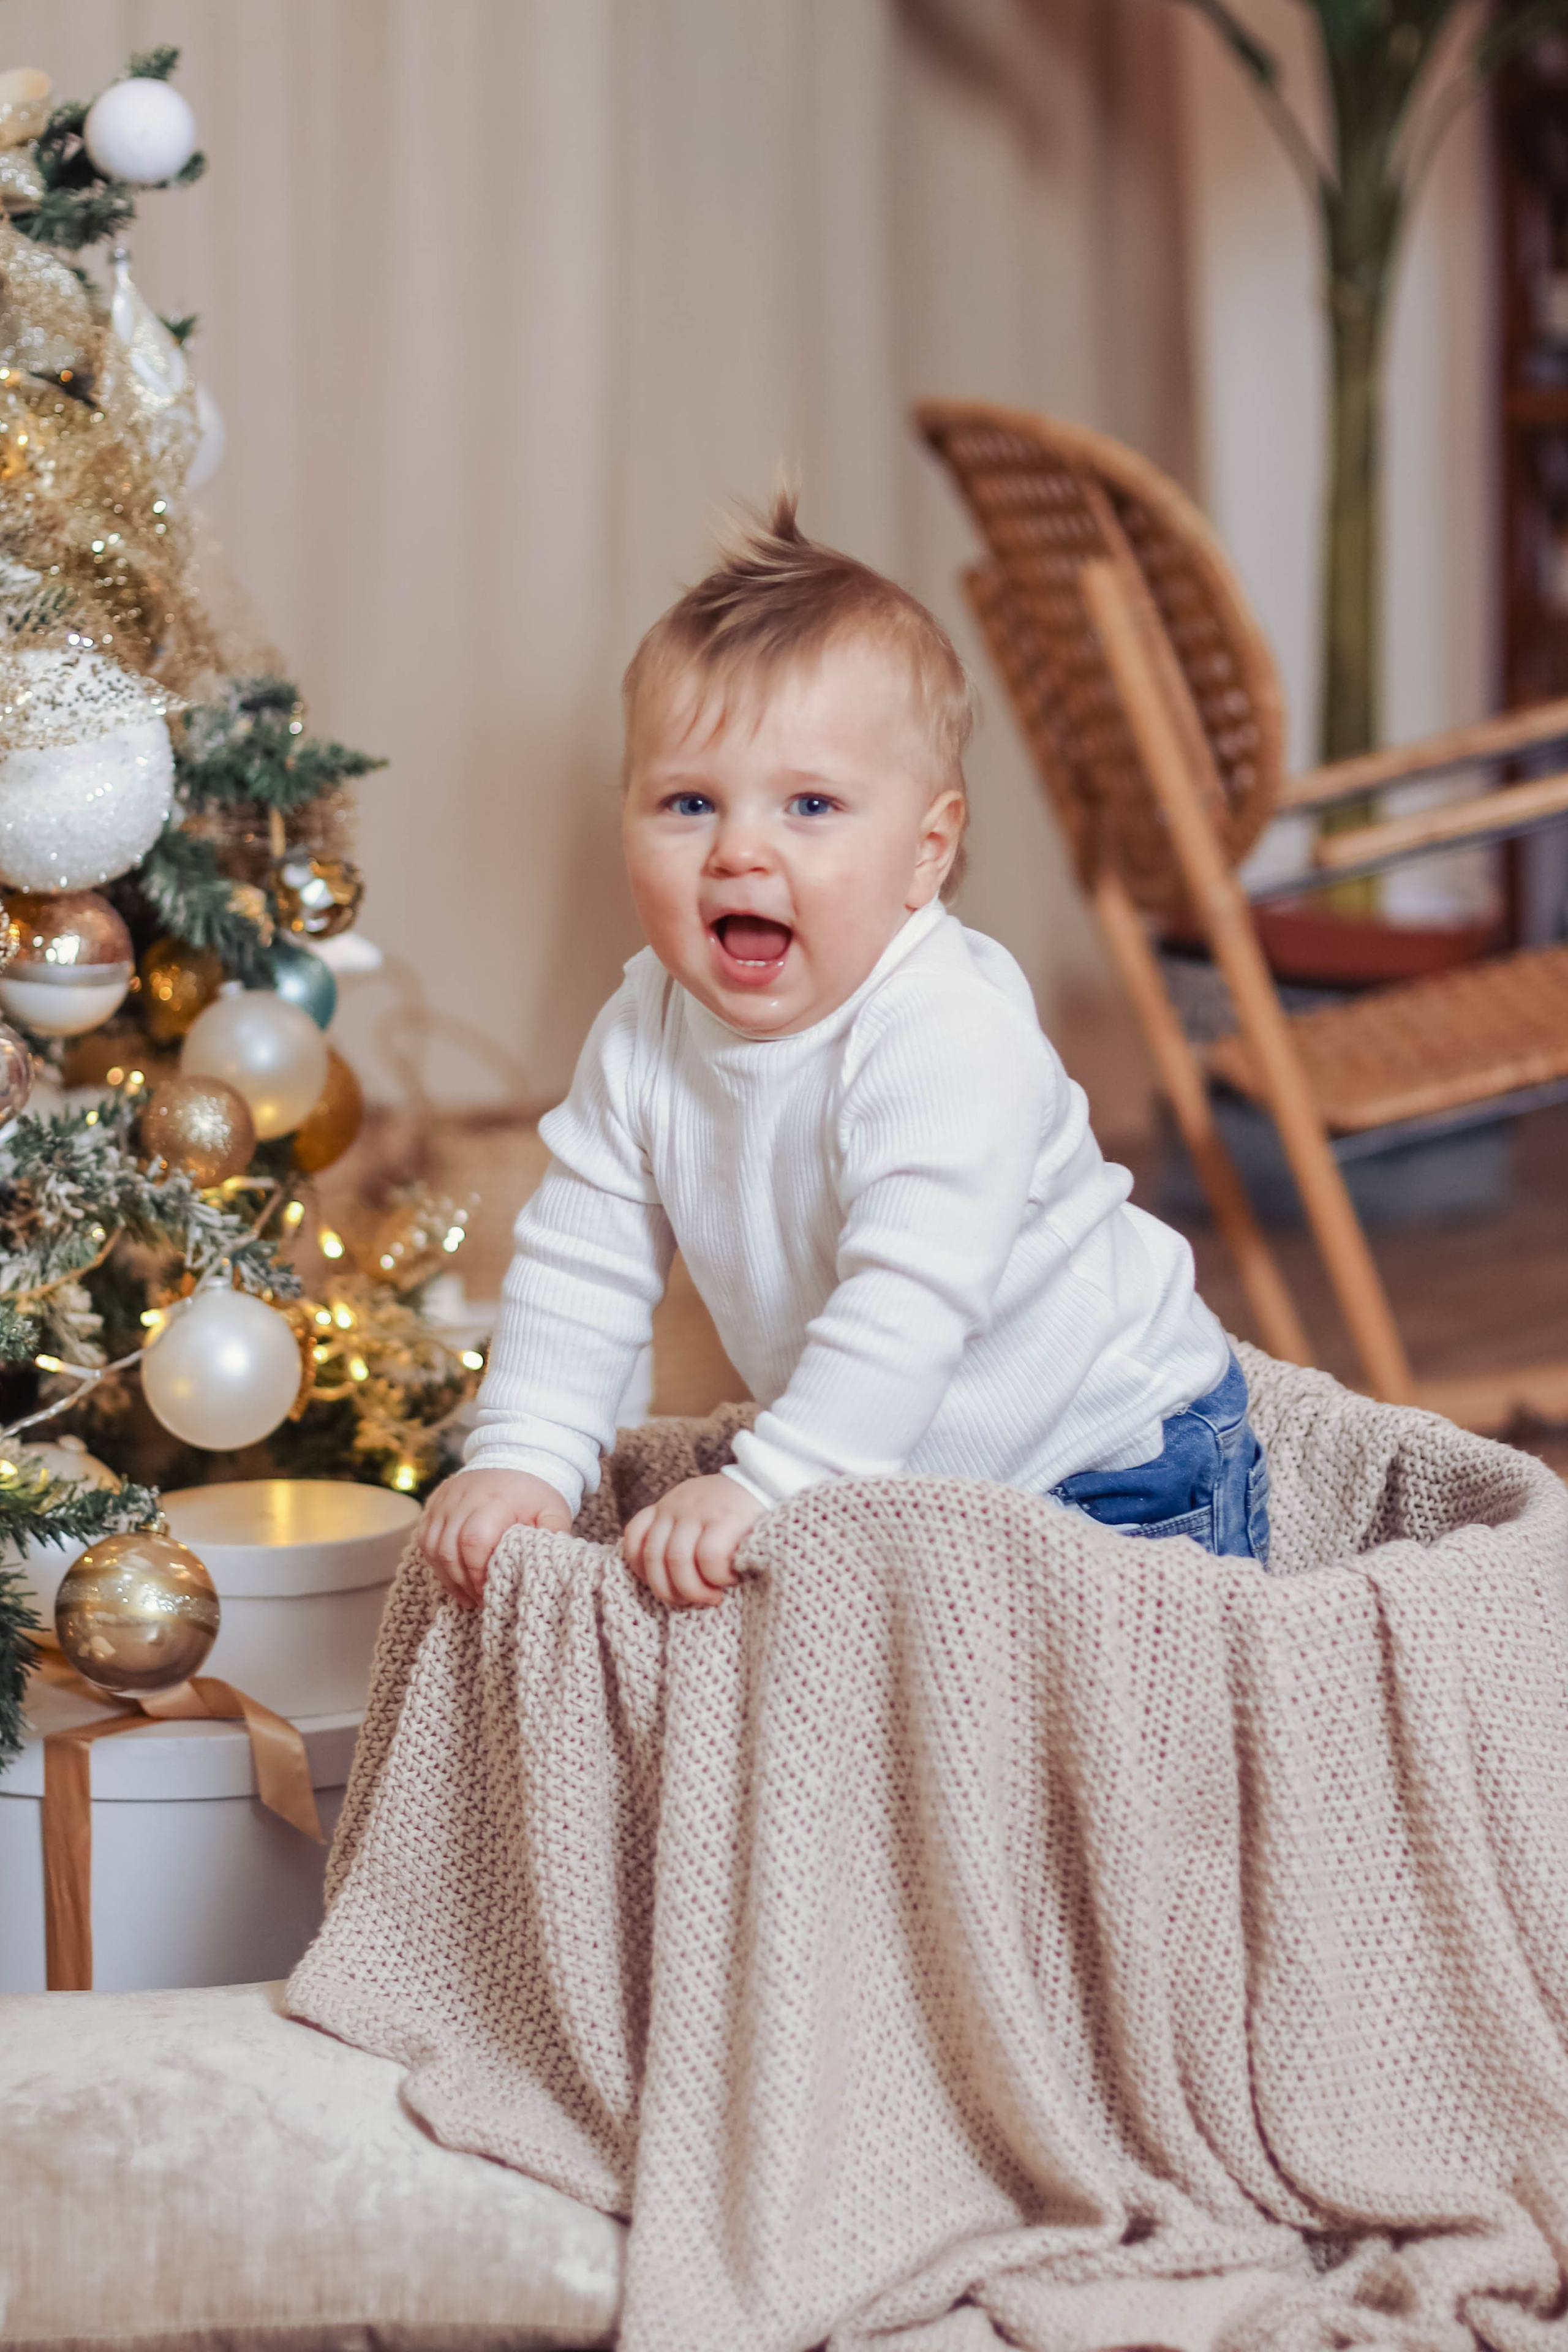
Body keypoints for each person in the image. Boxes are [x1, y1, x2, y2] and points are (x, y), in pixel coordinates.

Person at [418, 495, 1269, 1612]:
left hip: (1110, 1459)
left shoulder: (943, 1030)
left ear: (925, 853)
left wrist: (775, 1482)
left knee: (1092, 1712)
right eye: (688, 802)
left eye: (811, 805)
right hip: (900, 1463)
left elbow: (906, 1303)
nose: (739, 850)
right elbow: (583, 1262)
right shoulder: (641, 1028)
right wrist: (527, 1451)